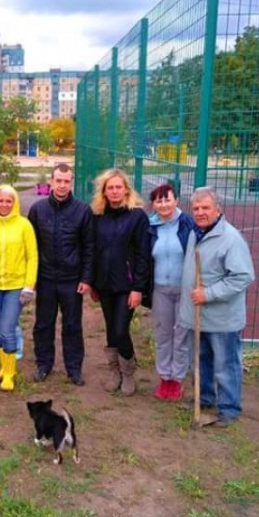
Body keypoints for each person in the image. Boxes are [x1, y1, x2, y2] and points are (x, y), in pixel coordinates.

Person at [179, 187, 255, 427]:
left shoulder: (231, 239)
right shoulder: (196, 233)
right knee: (200, 360)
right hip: (198, 316)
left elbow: (242, 277)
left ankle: (229, 408)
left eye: (206, 208)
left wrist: (209, 294)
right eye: (196, 209)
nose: (200, 213)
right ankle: (204, 398)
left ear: (218, 209)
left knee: (225, 364)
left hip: (222, 319)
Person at [28, 163, 94, 386]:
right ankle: (43, 364)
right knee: (43, 324)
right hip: (45, 278)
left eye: (67, 181)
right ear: (51, 182)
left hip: (72, 279)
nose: (62, 185)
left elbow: (89, 247)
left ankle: (74, 369)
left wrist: (86, 278)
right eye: (59, 180)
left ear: (71, 182)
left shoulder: (82, 211)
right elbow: (31, 246)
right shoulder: (38, 210)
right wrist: (32, 278)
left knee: (72, 325)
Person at [91, 168, 150, 396]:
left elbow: (143, 255)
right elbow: (94, 250)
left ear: (126, 189)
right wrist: (94, 283)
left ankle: (128, 373)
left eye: (119, 187)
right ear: (104, 191)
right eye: (110, 187)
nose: (114, 191)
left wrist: (138, 288)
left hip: (127, 285)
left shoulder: (137, 217)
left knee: (120, 328)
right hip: (104, 284)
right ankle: (114, 372)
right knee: (110, 328)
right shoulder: (98, 216)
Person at [0, 185, 38, 391]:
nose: (4, 204)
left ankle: (10, 374)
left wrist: (29, 285)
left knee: (7, 328)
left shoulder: (24, 225)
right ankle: (4, 367)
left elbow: (32, 257)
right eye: (0, 201)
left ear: (15, 203)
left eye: (8, 201)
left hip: (16, 286)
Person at [147, 183, 194, 401]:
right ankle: (164, 377)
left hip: (184, 291)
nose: (163, 204)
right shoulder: (150, 226)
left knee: (181, 335)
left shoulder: (187, 224)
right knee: (163, 335)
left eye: (167, 199)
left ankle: (177, 380)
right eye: (159, 200)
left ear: (176, 200)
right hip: (160, 290)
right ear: (153, 204)